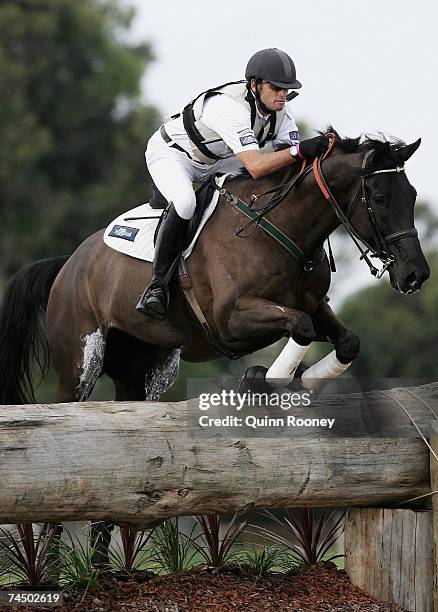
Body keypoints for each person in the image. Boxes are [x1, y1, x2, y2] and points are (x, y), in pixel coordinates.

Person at [136, 48, 328, 320]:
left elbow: (289, 166)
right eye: (276, 88)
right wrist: (300, 151)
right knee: (185, 202)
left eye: (287, 89)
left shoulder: (283, 114)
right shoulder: (229, 107)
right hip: (174, 154)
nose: (283, 95)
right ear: (254, 85)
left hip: (219, 159)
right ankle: (156, 286)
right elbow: (256, 165)